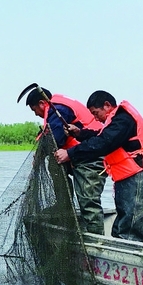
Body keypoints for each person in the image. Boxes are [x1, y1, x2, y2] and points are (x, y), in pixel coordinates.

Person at [54, 90, 143, 243]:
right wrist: (79, 133)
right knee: (122, 228)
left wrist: (70, 153)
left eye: (96, 113)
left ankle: (124, 263)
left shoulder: (123, 119)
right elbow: (101, 135)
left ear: (107, 105)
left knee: (129, 233)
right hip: (130, 180)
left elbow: (103, 143)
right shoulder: (116, 122)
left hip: (141, 180)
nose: (95, 118)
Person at [25, 88, 107, 235]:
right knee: (54, 162)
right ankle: (64, 204)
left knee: (88, 200)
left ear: (42, 103)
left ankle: (97, 238)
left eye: (34, 110)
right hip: (79, 155)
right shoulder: (56, 108)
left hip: (92, 156)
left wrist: (39, 157)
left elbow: (56, 139)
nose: (36, 114)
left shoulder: (58, 109)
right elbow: (50, 135)